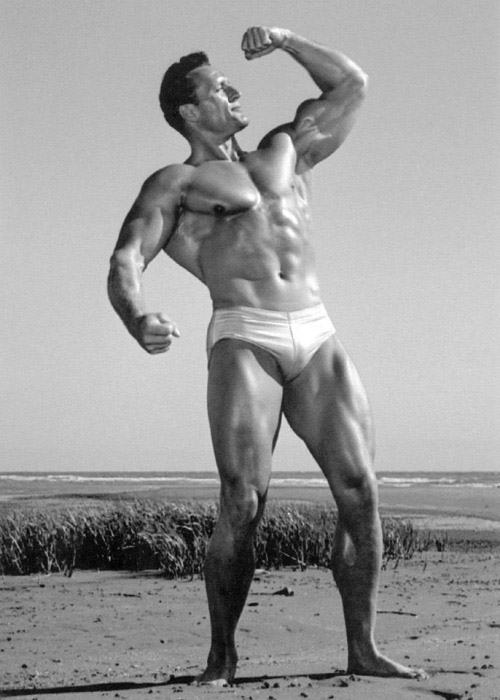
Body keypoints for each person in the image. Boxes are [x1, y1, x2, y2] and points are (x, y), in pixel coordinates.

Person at [108, 26, 426, 686]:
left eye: (230, 80)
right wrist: (136, 313)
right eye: (215, 87)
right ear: (189, 112)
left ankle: (362, 647)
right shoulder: (178, 181)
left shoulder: (287, 148)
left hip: (316, 330)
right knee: (244, 500)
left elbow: (351, 84)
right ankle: (221, 657)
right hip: (245, 334)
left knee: (361, 490)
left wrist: (285, 40)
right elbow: (126, 257)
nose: (231, 88)